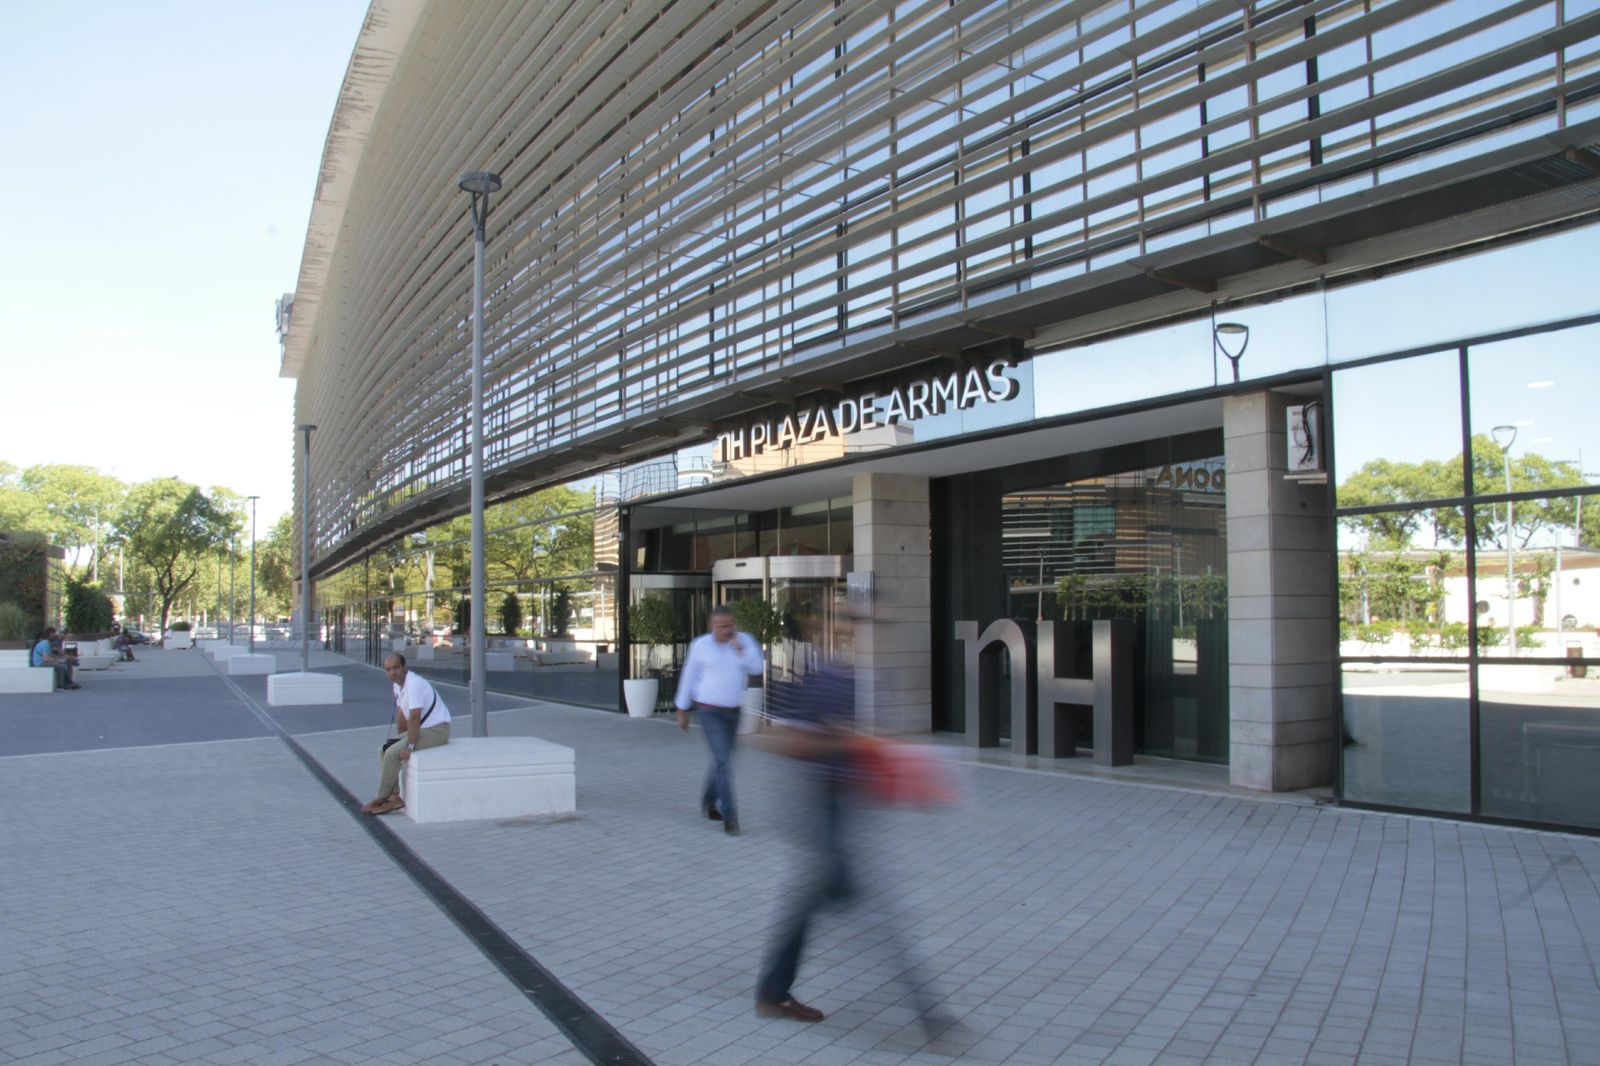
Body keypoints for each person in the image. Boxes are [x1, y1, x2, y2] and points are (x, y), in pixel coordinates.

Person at [674, 604, 763, 835]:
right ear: (711, 626)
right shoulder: (700, 646)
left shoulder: (743, 641)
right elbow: (689, 676)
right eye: (721, 626)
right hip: (708, 711)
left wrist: (740, 648)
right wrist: (682, 709)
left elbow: (756, 668)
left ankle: (708, 801)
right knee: (723, 761)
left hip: (733, 711)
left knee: (723, 760)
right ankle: (730, 817)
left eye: (729, 625)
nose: (726, 630)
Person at [362, 652, 451, 815]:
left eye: (395, 668)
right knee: (384, 749)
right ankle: (394, 795)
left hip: (438, 730)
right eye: (388, 670)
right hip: (421, 728)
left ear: (404, 667)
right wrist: (398, 739)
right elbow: (402, 715)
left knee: (391, 753)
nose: (392, 673)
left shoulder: (414, 684)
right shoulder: (397, 686)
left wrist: (408, 746)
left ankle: (382, 797)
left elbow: (415, 717)